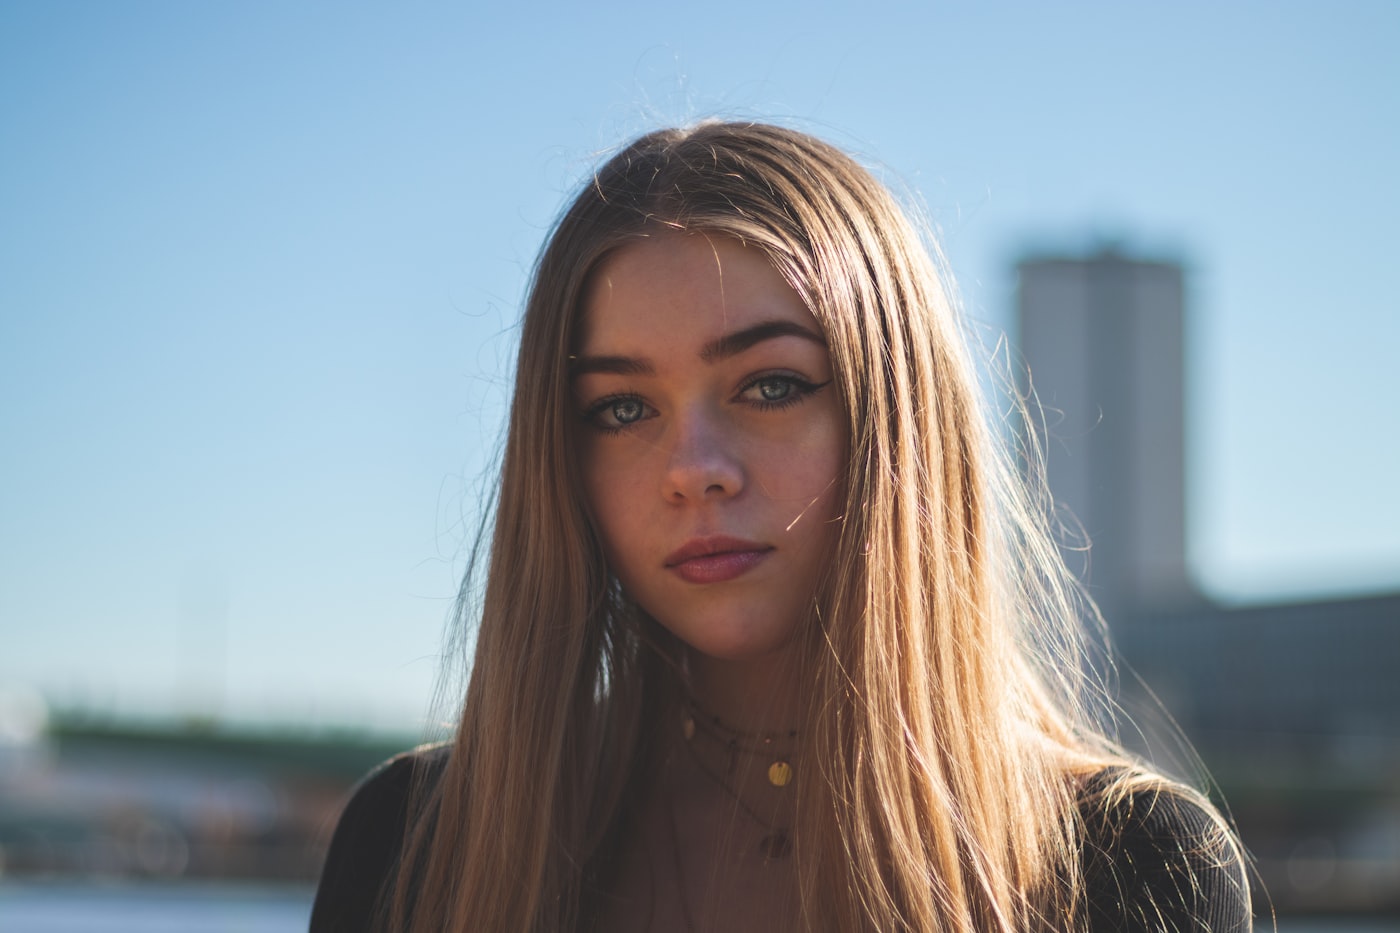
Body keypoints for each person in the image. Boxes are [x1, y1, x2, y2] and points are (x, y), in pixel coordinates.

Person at [310, 121, 1252, 932]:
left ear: (899, 420)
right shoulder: (417, 841)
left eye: (770, 386)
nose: (693, 469)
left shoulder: (1131, 863)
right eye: (622, 408)